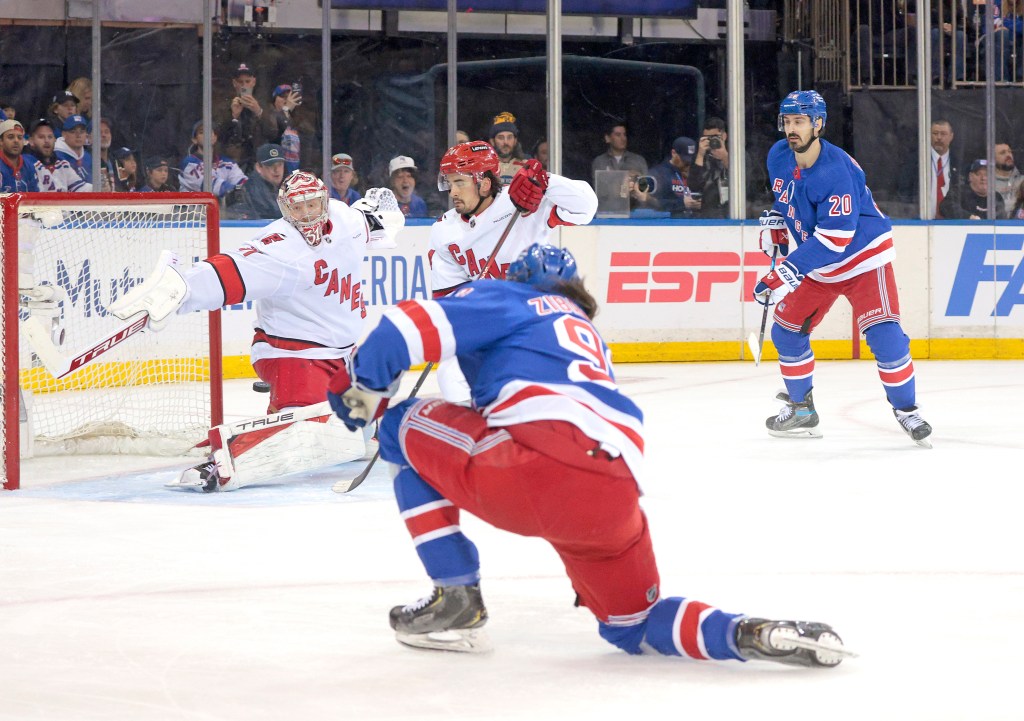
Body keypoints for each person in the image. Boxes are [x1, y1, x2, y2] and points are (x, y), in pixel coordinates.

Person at [324, 242, 849, 666]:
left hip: (533, 467)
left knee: (394, 427)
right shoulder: (590, 336)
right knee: (633, 627)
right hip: (616, 498)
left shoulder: (512, 298)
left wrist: (359, 399)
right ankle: (749, 633)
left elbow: (399, 330)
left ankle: (454, 595)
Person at [109, 172, 406, 491]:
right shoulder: (280, 247)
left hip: (343, 353)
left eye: (312, 205)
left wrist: (382, 211)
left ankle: (355, 424)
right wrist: (180, 290)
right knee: (311, 437)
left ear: (325, 202)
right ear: (284, 209)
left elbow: (378, 217)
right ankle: (224, 461)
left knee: (390, 357)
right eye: (297, 208)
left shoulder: (345, 220)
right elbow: (232, 270)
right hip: (293, 355)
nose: (307, 215)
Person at [754, 90, 932, 447]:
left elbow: (835, 239)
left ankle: (907, 410)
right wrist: (777, 219)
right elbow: (786, 195)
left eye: (800, 121)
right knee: (786, 332)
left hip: (862, 257)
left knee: (885, 336)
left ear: (818, 124)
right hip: (819, 265)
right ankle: (802, 409)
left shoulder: (836, 170)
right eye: (787, 121)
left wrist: (785, 272)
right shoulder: (777, 156)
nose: (792, 129)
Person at [428, 141, 598, 402]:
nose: (452, 192)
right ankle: (480, 433)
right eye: (449, 183)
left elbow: (586, 208)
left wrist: (547, 181)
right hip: (491, 324)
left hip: (539, 318)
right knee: (451, 375)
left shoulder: (523, 199)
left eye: (459, 182)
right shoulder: (444, 231)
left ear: (484, 183)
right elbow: (448, 297)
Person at [179, 121, 247, 199]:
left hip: (222, 209)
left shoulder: (228, 163)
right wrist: (238, 190)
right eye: (202, 132)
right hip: (194, 210)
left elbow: (242, 182)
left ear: (215, 137)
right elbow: (209, 185)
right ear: (194, 140)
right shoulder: (189, 163)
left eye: (210, 132)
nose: (207, 135)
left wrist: (244, 189)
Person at [218, 62, 266, 172]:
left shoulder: (262, 104)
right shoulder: (225, 106)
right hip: (233, 163)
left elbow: (272, 133)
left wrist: (258, 111)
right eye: (240, 82)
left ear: (254, 82)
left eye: (247, 81)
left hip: (258, 162)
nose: (244, 85)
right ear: (234, 83)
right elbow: (219, 136)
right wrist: (234, 116)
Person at [649, 136, 702, 218]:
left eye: (689, 160)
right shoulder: (659, 173)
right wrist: (682, 203)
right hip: (670, 223)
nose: (687, 163)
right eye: (684, 159)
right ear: (673, 153)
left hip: (693, 221)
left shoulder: (693, 172)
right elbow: (653, 203)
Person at [230, 143, 286, 219]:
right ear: (259, 167)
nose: (276, 170)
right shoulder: (253, 189)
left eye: (280, 164)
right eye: (270, 165)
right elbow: (274, 215)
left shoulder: (282, 186)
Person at [688, 117, 729, 218]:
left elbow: (744, 182)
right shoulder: (700, 157)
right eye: (707, 138)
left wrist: (725, 157)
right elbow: (693, 186)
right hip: (709, 214)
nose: (712, 141)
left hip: (733, 211)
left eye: (715, 137)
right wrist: (700, 154)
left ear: (724, 136)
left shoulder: (737, 155)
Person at [939, 159, 1006, 219]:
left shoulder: (996, 197)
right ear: (970, 176)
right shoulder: (959, 191)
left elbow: (1002, 220)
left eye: (987, 174)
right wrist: (969, 217)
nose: (983, 178)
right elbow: (946, 206)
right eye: (978, 174)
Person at [24, 118, 75, 192]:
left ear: (55, 139)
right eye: (41, 137)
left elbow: (82, 188)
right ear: (31, 141)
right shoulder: (26, 164)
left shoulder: (62, 164)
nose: (47, 141)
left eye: (50, 137)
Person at [264, 83, 302, 174]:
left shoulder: (298, 119)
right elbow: (274, 135)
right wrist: (285, 110)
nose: (287, 100)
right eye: (283, 97)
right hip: (277, 170)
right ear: (274, 100)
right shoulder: (269, 117)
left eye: (289, 97)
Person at [53, 114, 92, 192]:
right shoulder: (57, 157)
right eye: (73, 131)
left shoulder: (88, 156)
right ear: (64, 134)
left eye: (82, 131)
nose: (78, 135)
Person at [0, 119, 40, 193]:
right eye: (10, 137)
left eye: (20, 137)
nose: (16, 141)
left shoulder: (29, 166)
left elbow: (35, 199)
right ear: (1, 141)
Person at [488, 111, 527, 185]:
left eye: (509, 137)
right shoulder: (486, 168)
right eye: (501, 137)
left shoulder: (526, 166)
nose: (506, 142)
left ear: (515, 141)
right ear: (492, 141)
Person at [930, 119, 958, 219]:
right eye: (935, 133)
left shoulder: (959, 163)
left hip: (951, 223)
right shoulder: (916, 162)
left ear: (951, 136)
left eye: (943, 134)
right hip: (921, 222)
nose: (939, 137)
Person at [994, 142, 1023, 216]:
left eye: (1009, 151)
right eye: (1002, 153)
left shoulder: (1022, 181)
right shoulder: (987, 182)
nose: (1008, 155)